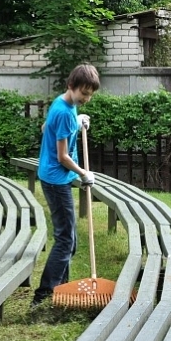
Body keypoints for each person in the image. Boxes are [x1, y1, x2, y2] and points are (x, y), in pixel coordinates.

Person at [32, 64, 100, 307]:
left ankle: (63, 290)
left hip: (54, 176)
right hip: (56, 179)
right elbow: (62, 157)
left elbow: (44, 128)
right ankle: (43, 296)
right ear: (71, 86)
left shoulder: (64, 105)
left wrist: (76, 120)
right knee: (65, 241)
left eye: (90, 94)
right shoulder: (63, 112)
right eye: (84, 93)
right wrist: (83, 174)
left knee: (69, 241)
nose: (87, 98)